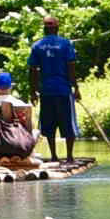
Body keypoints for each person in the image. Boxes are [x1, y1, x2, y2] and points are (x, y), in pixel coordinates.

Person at [27, 16, 81, 160]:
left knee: (49, 124)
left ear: (44, 29)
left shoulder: (37, 46)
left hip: (46, 91)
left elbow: (33, 70)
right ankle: (69, 156)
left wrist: (33, 92)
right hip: (63, 90)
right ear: (57, 28)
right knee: (68, 124)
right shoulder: (65, 44)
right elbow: (71, 67)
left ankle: (54, 156)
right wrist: (76, 88)